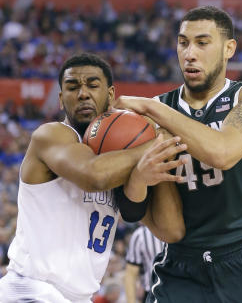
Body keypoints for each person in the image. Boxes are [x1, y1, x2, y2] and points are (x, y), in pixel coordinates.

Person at [114, 6, 242, 303]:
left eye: (202, 42)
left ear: (228, 48)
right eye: (183, 42)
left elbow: (222, 153)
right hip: (180, 263)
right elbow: (162, 225)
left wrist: (154, 109)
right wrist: (138, 178)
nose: (189, 53)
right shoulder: (151, 114)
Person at [0, 53, 187, 303]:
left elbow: (149, 219)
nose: (83, 93)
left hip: (78, 296)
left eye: (92, 85)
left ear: (110, 95)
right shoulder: (51, 135)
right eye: (72, 87)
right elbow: (94, 176)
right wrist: (159, 141)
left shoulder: (117, 154)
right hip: (32, 289)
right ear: (61, 98)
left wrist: (144, 171)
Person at [124, 225, 165, 303]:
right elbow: (131, 274)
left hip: (178, 290)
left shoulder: (184, 230)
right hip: (151, 293)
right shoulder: (140, 235)